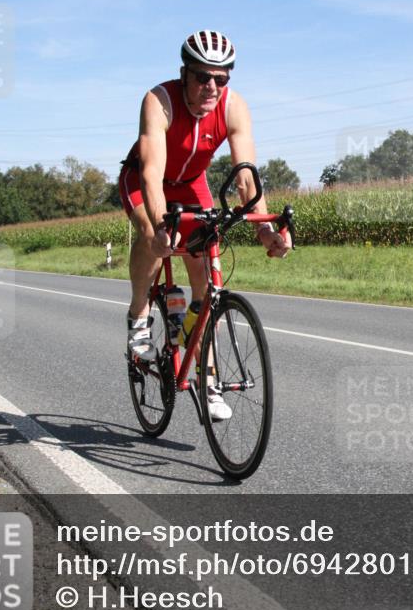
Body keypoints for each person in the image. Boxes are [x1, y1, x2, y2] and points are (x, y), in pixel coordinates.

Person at [118, 29, 290, 420]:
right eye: (202, 76)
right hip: (147, 181)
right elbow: (152, 170)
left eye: (221, 78)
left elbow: (246, 177)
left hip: (191, 184)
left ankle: (205, 375)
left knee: (206, 286)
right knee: (151, 233)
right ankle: (139, 315)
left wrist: (265, 229)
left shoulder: (234, 107)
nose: (211, 86)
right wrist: (161, 226)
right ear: (184, 73)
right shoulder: (158, 101)